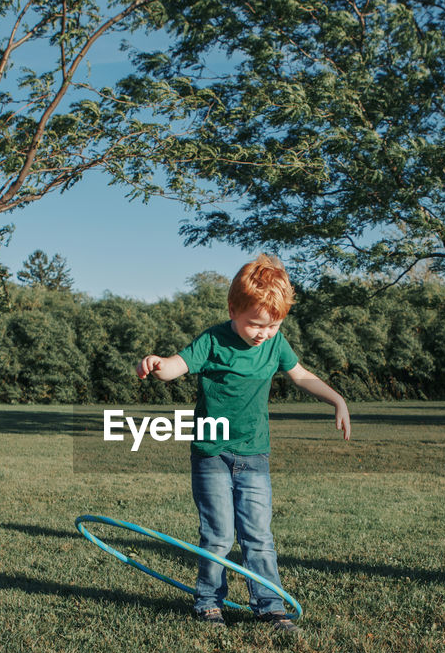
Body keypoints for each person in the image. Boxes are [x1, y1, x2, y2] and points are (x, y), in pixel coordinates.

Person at [137, 254, 351, 631]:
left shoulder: (275, 344)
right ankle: (208, 604)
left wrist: (337, 398)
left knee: (259, 535)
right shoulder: (213, 340)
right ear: (233, 308)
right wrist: (158, 364)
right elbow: (177, 366)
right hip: (212, 453)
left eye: (272, 325)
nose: (262, 333)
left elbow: (301, 376)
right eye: (254, 323)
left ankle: (269, 606)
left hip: (254, 455)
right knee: (217, 534)